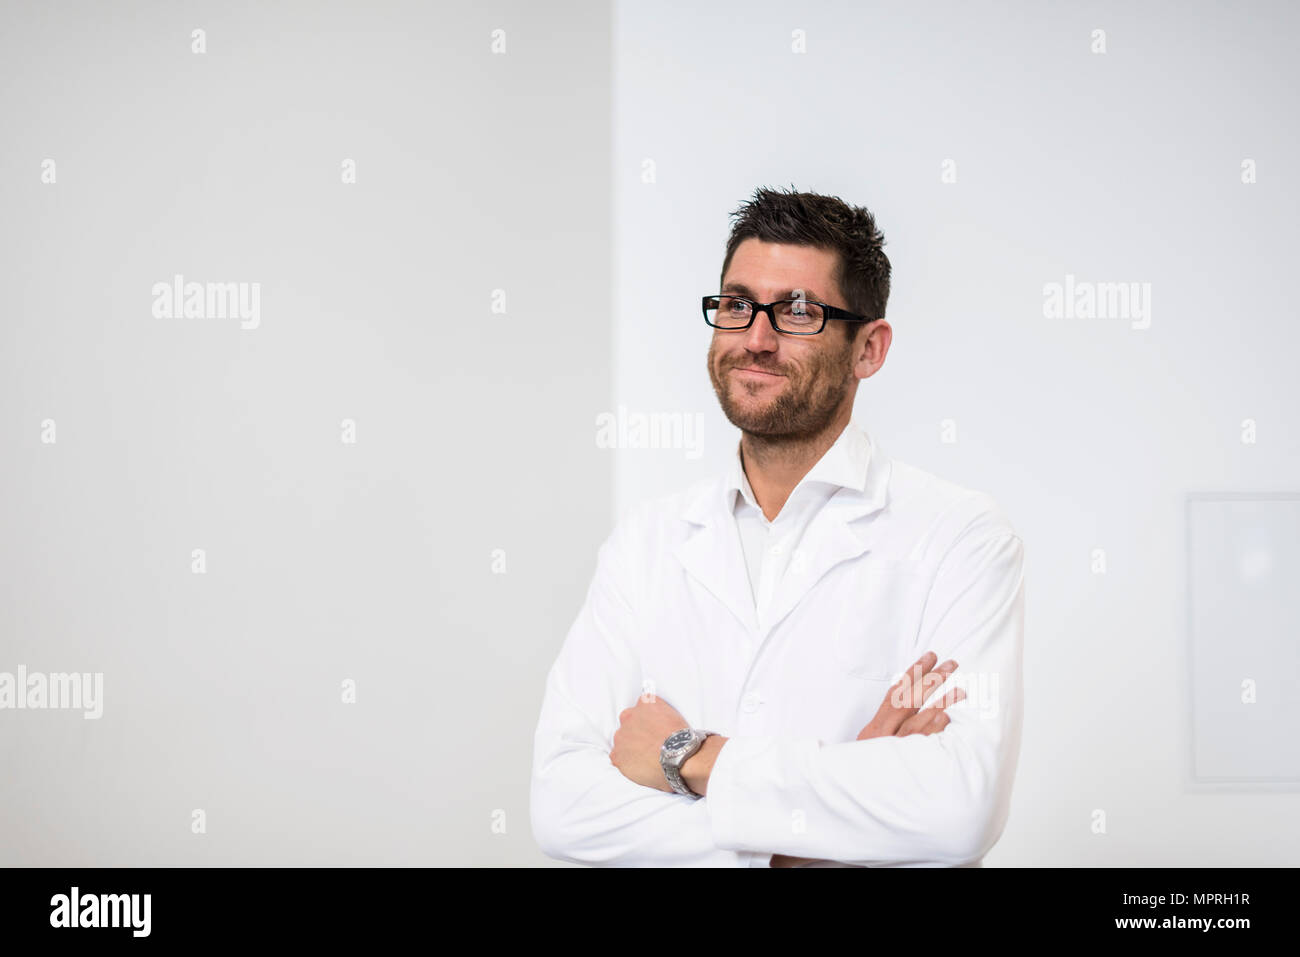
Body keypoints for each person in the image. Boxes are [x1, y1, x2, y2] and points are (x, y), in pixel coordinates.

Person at [530, 186, 1025, 867]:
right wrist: (800, 845)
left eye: (797, 311)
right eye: (736, 305)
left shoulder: (959, 536)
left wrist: (688, 756)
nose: (755, 340)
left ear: (869, 348)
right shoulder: (646, 543)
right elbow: (561, 804)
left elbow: (957, 807)